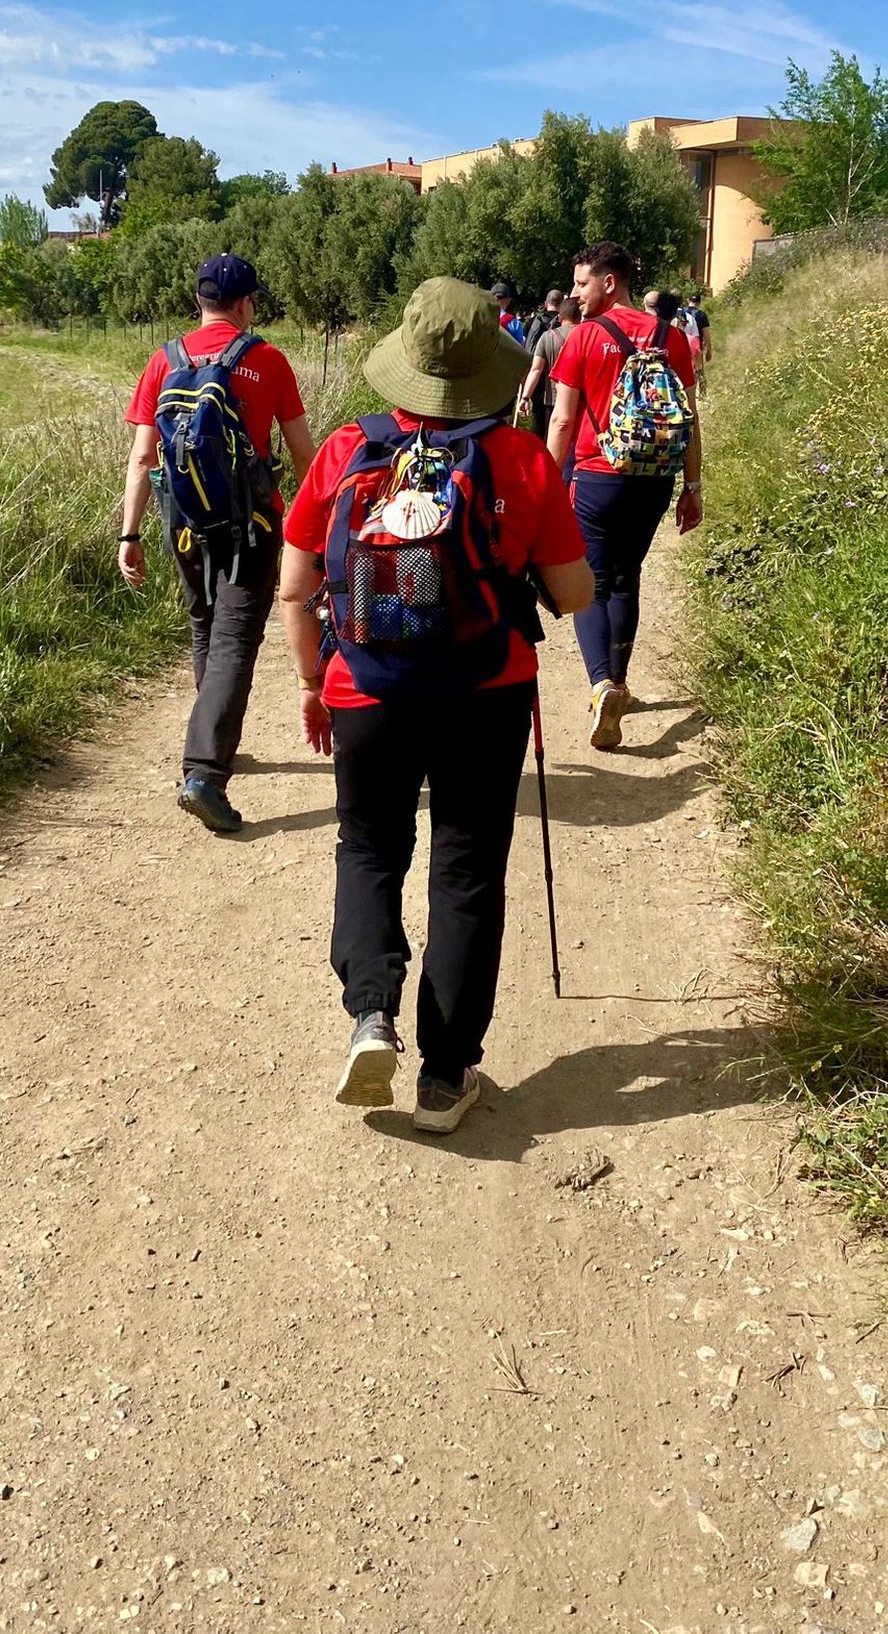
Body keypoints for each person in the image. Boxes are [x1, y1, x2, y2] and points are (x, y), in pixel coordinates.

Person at [278, 278, 594, 1134]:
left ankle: (370, 1012)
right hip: (486, 694)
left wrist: (313, 683)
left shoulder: (347, 448)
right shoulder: (522, 460)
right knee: (466, 869)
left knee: (370, 847)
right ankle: (446, 1075)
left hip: (366, 689)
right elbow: (572, 595)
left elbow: (297, 587)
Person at [120, 253, 316, 834]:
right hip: (248, 521)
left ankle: (213, 732)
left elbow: (141, 457)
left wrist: (127, 534)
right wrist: (321, 518)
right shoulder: (266, 360)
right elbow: (303, 452)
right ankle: (204, 770)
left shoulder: (165, 359)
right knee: (234, 637)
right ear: (245, 303)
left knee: (205, 621)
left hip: (178, 516)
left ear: (201, 302)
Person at [547, 241, 703, 751]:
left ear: (608, 282)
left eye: (581, 283)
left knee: (591, 581)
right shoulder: (671, 337)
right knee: (625, 577)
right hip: (654, 478)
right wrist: (692, 486)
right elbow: (690, 419)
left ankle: (600, 686)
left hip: (597, 477)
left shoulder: (583, 337)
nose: (576, 293)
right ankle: (622, 680)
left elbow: (564, 419)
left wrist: (547, 485)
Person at [517, 295, 580, 442]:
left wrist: (525, 397)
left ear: (560, 316)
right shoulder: (586, 334)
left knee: (550, 441)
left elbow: (536, 369)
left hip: (552, 400)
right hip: (579, 401)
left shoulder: (548, 337)